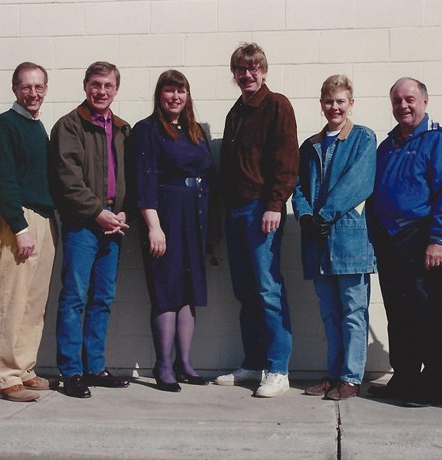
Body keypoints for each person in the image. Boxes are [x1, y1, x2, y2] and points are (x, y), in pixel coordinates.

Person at [367, 77, 442, 407]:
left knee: (428, 311)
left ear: (424, 100)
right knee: (398, 311)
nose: (403, 106)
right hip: (390, 240)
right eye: (396, 101)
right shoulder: (388, 144)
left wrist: (437, 239)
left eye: (409, 99)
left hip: (422, 238)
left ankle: (432, 384)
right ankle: (404, 377)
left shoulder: (439, 141)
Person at [215, 42, 299, 398]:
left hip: (261, 209)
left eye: (253, 68)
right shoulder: (235, 112)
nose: (247, 74)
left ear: (263, 70)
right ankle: (254, 362)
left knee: (267, 289)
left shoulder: (277, 105)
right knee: (245, 291)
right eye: (240, 69)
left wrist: (275, 204)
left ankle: (278, 369)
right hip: (235, 211)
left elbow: (286, 160)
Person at [49, 61, 132, 398]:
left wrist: (122, 211)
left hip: (114, 225)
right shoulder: (69, 126)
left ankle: (95, 367)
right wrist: (98, 212)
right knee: (74, 297)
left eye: (108, 86)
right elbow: (66, 180)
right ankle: (71, 371)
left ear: (116, 89)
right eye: (96, 85)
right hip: (83, 224)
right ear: (85, 86)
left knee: (103, 298)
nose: (101, 91)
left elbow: (131, 177)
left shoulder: (123, 128)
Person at [291, 75, 376, 400]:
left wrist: (325, 214)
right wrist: (306, 216)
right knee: (329, 312)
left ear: (350, 103)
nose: (335, 107)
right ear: (321, 104)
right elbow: (298, 188)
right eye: (329, 101)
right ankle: (334, 374)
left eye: (341, 101)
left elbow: (360, 182)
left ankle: (351, 378)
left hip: (349, 241)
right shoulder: (310, 145)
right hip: (318, 242)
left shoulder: (362, 139)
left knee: (353, 311)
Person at [133, 70, 213, 392]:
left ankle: (185, 363)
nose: (175, 98)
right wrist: (154, 226)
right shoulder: (147, 130)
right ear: (160, 95)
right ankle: (163, 366)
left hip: (194, 216)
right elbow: (144, 180)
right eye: (169, 92)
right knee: (166, 290)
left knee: (188, 290)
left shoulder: (196, 131)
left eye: (180, 92)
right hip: (165, 216)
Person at [0, 62, 57, 402]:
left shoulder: (36, 126)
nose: (33, 93)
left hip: (43, 219)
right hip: (19, 221)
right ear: (15, 89)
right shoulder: (3, 125)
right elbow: (3, 180)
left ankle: (24, 368)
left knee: (33, 302)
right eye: (27, 87)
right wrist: (20, 226)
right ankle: (5, 376)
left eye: (39, 87)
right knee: (11, 301)